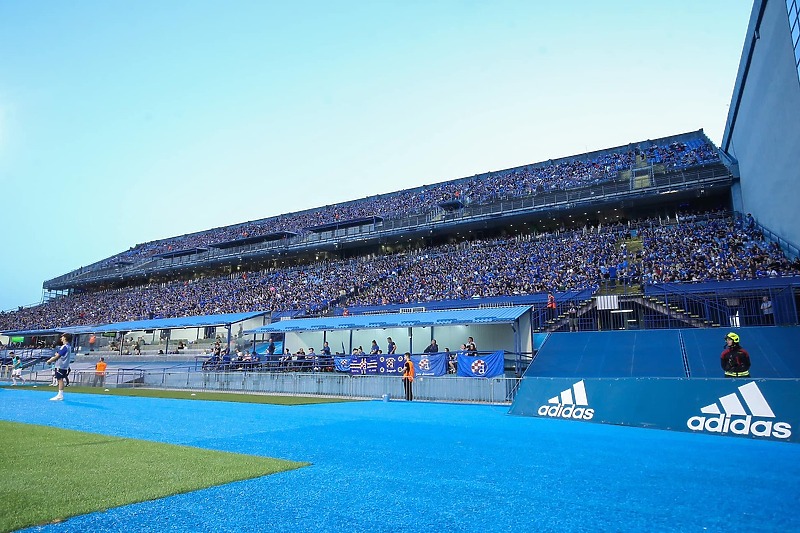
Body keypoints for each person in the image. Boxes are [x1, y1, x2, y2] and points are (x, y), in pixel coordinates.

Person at [46, 333, 72, 401]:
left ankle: (60, 395)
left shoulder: (65, 346)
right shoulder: (68, 347)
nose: (61, 338)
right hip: (64, 366)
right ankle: (60, 394)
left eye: (62, 337)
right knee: (60, 379)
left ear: (65, 338)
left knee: (59, 379)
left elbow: (58, 356)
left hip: (60, 365)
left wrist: (49, 361)